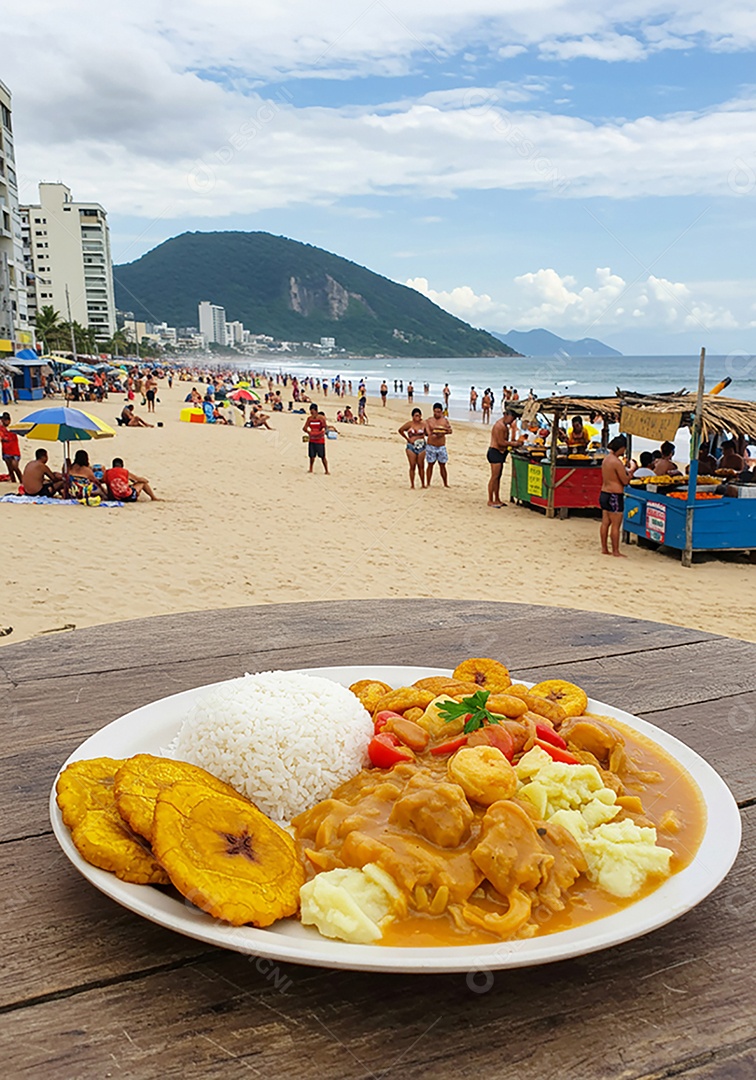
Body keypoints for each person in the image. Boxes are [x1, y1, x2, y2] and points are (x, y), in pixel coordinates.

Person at [600, 435, 630, 557]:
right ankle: (616, 551)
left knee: (605, 522)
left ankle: (604, 548)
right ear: (621, 448)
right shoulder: (616, 462)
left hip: (604, 492)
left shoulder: (606, 459)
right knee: (616, 525)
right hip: (614, 494)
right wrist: (631, 471)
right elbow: (625, 480)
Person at [487, 408, 520, 507]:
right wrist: (513, 444)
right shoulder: (499, 426)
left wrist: (513, 432)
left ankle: (497, 498)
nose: (512, 421)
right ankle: (490, 499)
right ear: (506, 415)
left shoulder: (505, 426)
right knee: (494, 477)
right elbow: (500, 442)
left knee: (498, 477)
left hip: (501, 453)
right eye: (511, 418)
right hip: (495, 452)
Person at [398, 408, 427, 489]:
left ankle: (423, 483)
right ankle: (412, 484)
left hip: (421, 445)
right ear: (413, 416)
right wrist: (407, 439)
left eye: (419, 415)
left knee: (421, 465)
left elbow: (428, 433)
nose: (417, 417)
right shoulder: (409, 424)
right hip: (411, 446)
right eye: (415, 416)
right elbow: (401, 430)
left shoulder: (423, 424)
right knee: (412, 465)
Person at [424, 403, 452, 487]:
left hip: (441, 445)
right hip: (431, 445)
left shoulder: (444, 420)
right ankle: (428, 482)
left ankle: (445, 483)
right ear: (433, 411)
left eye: (439, 412)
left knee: (442, 465)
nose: (437, 414)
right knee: (430, 464)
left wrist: (443, 432)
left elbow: (450, 430)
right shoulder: (429, 420)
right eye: (435, 412)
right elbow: (428, 432)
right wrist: (434, 433)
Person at [304, 404, 329, 474]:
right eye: (311, 412)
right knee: (311, 456)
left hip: (320, 440)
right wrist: (309, 432)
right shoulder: (309, 419)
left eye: (313, 412)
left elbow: (325, 427)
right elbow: (304, 428)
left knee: (322, 456)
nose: (312, 414)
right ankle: (310, 468)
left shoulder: (321, 418)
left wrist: (321, 432)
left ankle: (326, 470)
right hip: (312, 439)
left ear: (316, 411)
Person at [1, 412, 22, 484]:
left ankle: (22, 482)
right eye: (3, 420)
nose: (4, 421)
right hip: (6, 452)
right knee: (10, 470)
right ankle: (14, 483)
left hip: (15, 452)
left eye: (6, 420)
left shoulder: (13, 429)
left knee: (15, 467)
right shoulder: (1, 429)